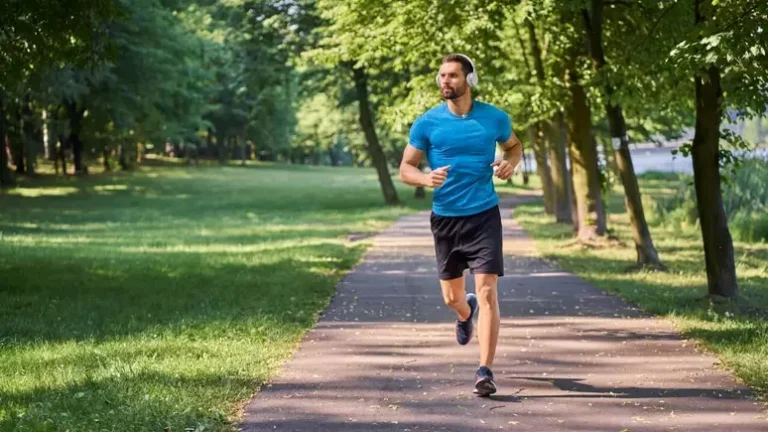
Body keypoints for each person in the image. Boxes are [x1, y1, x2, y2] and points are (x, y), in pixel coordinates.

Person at [399, 53, 523, 397]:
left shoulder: (494, 118)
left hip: (484, 215)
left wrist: (510, 163)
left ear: (469, 79)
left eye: (452, 75)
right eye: (441, 76)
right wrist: (425, 179)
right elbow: (405, 168)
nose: (445, 81)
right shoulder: (427, 123)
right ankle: (463, 313)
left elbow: (514, 145)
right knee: (452, 298)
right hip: (446, 219)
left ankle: (485, 371)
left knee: (488, 292)